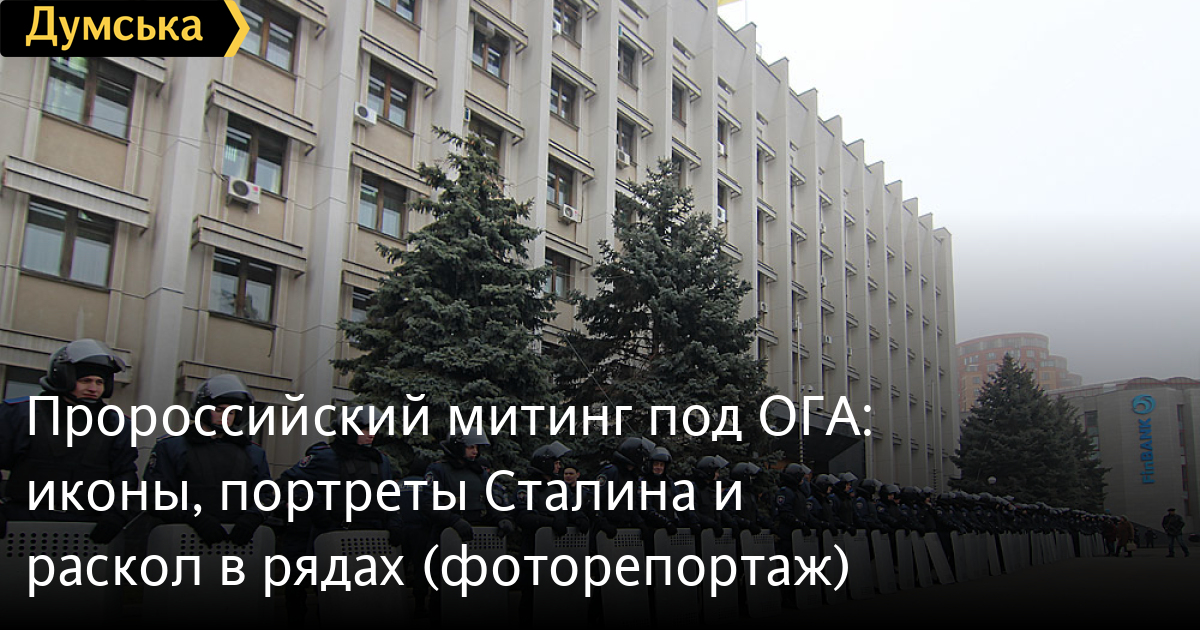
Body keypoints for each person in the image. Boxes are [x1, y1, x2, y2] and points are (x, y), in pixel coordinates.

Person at [0, 339, 136, 543]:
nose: (93, 388)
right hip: (23, 522)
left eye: (99, 382)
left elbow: (125, 475)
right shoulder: (21, 415)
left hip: (85, 527)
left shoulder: (116, 424)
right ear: (63, 377)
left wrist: (117, 515)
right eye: (85, 380)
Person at [276, 405, 403, 623]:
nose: (371, 433)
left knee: (367, 602)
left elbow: (389, 495)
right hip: (335, 535)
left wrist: (395, 522)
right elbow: (288, 482)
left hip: (372, 539)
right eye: (364, 428)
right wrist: (313, 506)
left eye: (374, 428)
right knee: (333, 601)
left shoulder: (380, 460)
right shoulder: (326, 456)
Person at [143, 374, 270, 544]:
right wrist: (194, 517)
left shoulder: (253, 453)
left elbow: (266, 495)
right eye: (219, 410)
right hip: (181, 543)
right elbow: (156, 495)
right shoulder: (171, 447)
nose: (226, 416)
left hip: (237, 546)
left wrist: (252, 518)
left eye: (232, 412)